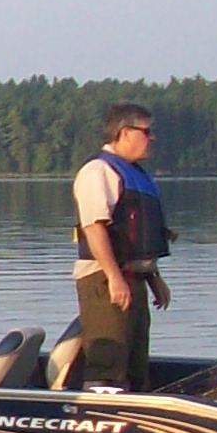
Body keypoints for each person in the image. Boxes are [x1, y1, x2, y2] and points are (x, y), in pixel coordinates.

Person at [72, 104, 172, 391]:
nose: (151, 138)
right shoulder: (99, 171)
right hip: (105, 280)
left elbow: (139, 238)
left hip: (133, 280)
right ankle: (101, 421)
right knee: (108, 362)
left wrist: (154, 277)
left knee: (136, 364)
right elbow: (95, 228)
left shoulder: (138, 174)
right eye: (146, 131)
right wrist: (114, 277)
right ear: (125, 132)